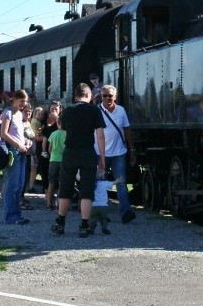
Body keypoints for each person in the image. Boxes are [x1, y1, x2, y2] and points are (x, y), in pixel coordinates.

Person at [53, 82, 106, 238]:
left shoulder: (68, 111)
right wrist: (102, 157)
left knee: (65, 189)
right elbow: (100, 136)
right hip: (88, 152)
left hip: (70, 152)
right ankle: (84, 225)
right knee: (87, 191)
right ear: (88, 95)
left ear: (76, 96)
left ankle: (60, 223)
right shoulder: (94, 110)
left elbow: (63, 130)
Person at [99, 84, 137, 223]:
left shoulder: (121, 110)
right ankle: (101, 213)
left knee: (122, 183)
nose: (107, 98)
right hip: (101, 154)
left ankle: (126, 212)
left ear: (115, 96)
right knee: (100, 185)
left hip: (118, 153)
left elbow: (127, 130)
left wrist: (132, 150)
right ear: (101, 97)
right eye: (104, 95)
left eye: (110, 95)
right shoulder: (97, 111)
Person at [0, 89, 32, 224]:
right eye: (21, 101)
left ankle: (17, 214)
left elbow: (18, 133)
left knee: (20, 184)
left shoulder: (19, 114)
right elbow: (4, 134)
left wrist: (26, 142)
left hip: (22, 151)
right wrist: (18, 144)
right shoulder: (8, 113)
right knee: (12, 184)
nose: (23, 104)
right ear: (14, 99)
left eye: (25, 101)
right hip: (13, 151)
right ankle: (11, 216)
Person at [45, 113, 66, 210]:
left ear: (58, 123)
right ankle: (59, 202)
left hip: (53, 160)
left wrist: (52, 154)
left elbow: (49, 148)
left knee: (51, 182)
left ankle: (49, 203)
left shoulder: (53, 134)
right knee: (62, 183)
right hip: (64, 161)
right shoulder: (67, 134)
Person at [86, 171, 111, 236]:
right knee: (103, 218)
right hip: (103, 205)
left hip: (94, 205)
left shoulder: (92, 183)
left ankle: (91, 229)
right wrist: (118, 181)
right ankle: (105, 229)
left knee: (92, 218)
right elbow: (112, 183)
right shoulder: (105, 183)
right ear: (103, 176)